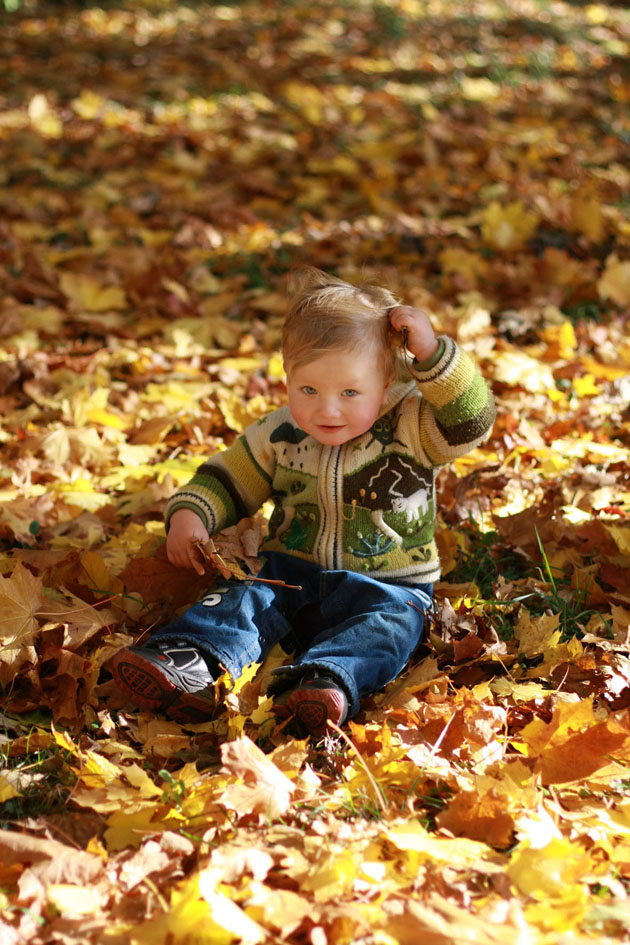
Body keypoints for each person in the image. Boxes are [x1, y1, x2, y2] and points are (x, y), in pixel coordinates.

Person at [112, 268, 495, 736]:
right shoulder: (279, 434)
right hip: (290, 572)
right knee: (244, 595)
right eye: (308, 390)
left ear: (387, 381)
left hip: (390, 583)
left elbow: (472, 420)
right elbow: (229, 478)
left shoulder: (414, 428)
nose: (326, 409)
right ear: (287, 374)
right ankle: (194, 658)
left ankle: (327, 680)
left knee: (391, 628)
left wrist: (434, 356)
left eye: (350, 393)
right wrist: (191, 513)